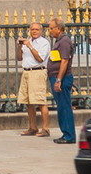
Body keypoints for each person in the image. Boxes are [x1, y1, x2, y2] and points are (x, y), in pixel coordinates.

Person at [16, 20, 50, 135]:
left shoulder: (44, 43)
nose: (34, 31)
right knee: (28, 101)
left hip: (37, 72)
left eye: (36, 29)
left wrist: (30, 46)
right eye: (32, 29)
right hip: (27, 72)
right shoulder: (27, 41)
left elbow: (40, 59)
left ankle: (45, 128)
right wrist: (20, 47)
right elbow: (19, 58)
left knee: (40, 100)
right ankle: (33, 127)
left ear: (41, 31)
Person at [46, 16, 75, 144]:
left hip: (62, 78)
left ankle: (69, 135)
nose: (50, 30)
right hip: (56, 77)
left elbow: (64, 61)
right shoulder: (59, 40)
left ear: (58, 28)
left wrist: (58, 80)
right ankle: (66, 133)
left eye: (51, 28)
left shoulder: (64, 41)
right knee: (61, 106)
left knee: (64, 107)